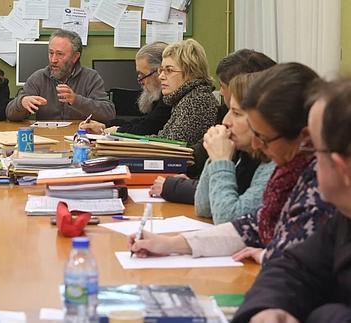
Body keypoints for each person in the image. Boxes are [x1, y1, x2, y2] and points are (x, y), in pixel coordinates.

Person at [129, 63, 336, 265]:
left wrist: (220, 160)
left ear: (302, 135)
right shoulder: (289, 169)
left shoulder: (313, 178)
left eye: (263, 137)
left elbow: (295, 260)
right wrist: (169, 243)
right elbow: (251, 224)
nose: (257, 143)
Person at [232, 79, 351, 323]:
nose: (309, 160)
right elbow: (294, 266)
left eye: (315, 149)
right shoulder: (344, 218)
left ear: (341, 167)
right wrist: (266, 309)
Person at [150, 49, 276, 204]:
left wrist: (180, 186)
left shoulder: (198, 102)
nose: (221, 93)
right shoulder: (181, 101)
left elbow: (228, 205)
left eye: (223, 86)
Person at [194, 73, 275, 224]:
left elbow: (228, 220)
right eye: (228, 110)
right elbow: (203, 207)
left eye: (236, 113)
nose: (225, 121)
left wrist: (221, 161)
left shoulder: (274, 166)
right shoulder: (244, 153)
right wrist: (215, 156)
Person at [5, 29, 115, 122]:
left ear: (75, 57)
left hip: (79, 139)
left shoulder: (90, 78)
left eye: (60, 54)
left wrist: (76, 100)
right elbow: (10, 113)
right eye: (51, 53)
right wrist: (21, 102)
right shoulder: (38, 78)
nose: (53, 60)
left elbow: (109, 113)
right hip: (47, 139)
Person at [79, 41, 172, 135]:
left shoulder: (170, 98)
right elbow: (143, 121)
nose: (140, 81)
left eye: (143, 75)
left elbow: (148, 128)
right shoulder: (160, 96)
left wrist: (113, 130)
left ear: (160, 71)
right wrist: (105, 125)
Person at [152, 38, 218, 145]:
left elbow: (172, 146)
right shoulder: (186, 98)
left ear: (191, 72)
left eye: (169, 70)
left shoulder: (197, 101)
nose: (161, 76)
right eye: (161, 70)